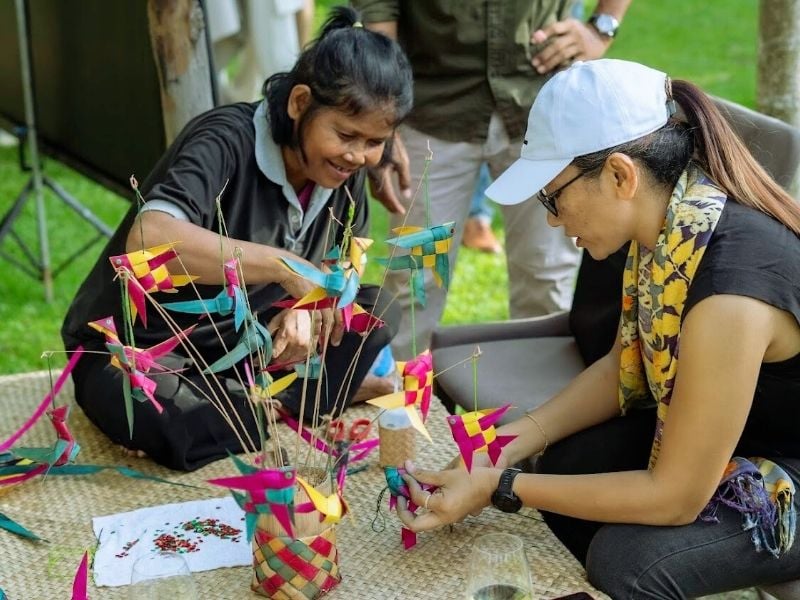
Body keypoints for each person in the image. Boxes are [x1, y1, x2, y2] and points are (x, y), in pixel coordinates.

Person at [393, 59, 800, 597]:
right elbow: (622, 368)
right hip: (734, 439)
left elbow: (676, 495)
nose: (552, 221)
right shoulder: (671, 231)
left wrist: (502, 484)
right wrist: (503, 445)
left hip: (780, 472)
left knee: (628, 562)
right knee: (570, 460)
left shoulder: (730, 290)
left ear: (619, 175)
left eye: (552, 196)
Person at [61, 7, 413, 471]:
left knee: (374, 309)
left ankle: (264, 401)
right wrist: (286, 269)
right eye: (347, 135)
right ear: (300, 102)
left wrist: (308, 307)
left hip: (251, 344)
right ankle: (272, 406)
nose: (358, 155)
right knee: (177, 417)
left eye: (375, 142)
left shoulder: (344, 170)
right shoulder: (224, 140)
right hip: (143, 349)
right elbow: (147, 243)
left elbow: (348, 263)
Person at [353, 0, 632, 358]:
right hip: (431, 106)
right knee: (415, 279)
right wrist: (383, 108)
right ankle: (395, 406)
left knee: (548, 279)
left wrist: (601, 27)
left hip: (544, 102)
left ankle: (541, 407)